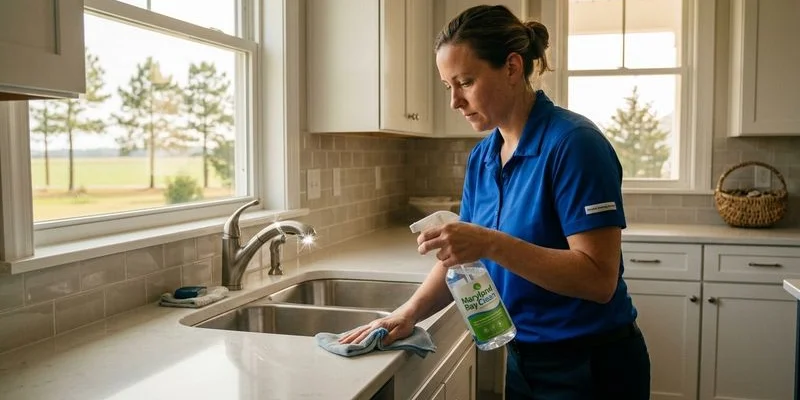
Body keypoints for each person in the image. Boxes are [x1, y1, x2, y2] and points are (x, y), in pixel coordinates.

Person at [340, 4, 650, 399]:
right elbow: (463, 255)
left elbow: (598, 280)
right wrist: (408, 312)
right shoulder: (484, 156)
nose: (454, 101)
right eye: (447, 86)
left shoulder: (574, 145)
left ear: (512, 67)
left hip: (590, 367)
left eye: (465, 82)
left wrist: (489, 242)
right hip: (519, 359)